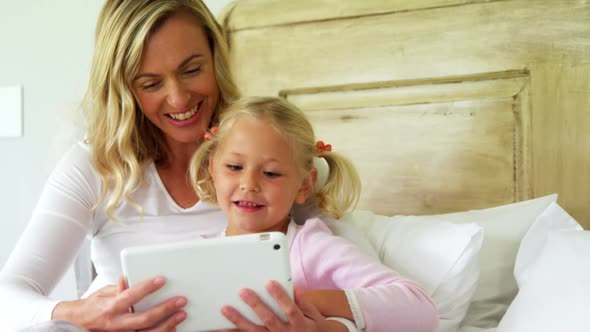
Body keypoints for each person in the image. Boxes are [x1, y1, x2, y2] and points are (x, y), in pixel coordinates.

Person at [189, 96, 439, 332]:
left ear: (304, 185)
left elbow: (420, 308)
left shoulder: (310, 248)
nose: (249, 183)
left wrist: (307, 304)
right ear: (212, 168)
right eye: (234, 167)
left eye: (272, 173)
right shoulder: (197, 257)